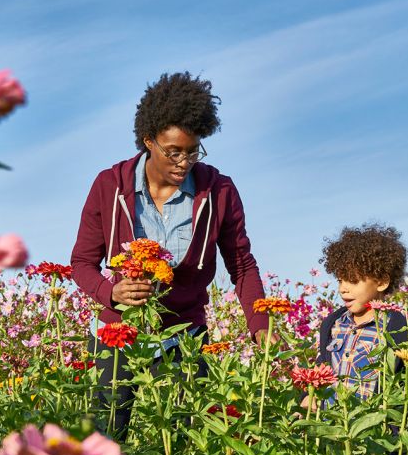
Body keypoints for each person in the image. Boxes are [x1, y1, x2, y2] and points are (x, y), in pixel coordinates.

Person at [71, 71, 268, 434]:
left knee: (190, 436)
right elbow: (82, 263)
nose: (184, 162)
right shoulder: (108, 186)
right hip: (118, 332)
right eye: (173, 151)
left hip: (185, 334)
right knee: (107, 434)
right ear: (149, 141)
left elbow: (241, 265)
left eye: (193, 151)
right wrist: (110, 292)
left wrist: (261, 326)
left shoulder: (219, 191)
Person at [317, 223, 408, 398]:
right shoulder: (333, 325)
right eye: (340, 280)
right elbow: (321, 365)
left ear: (381, 282)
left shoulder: (399, 329)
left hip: (374, 423)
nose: (343, 289)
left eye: (352, 280)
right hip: (330, 423)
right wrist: (308, 396)